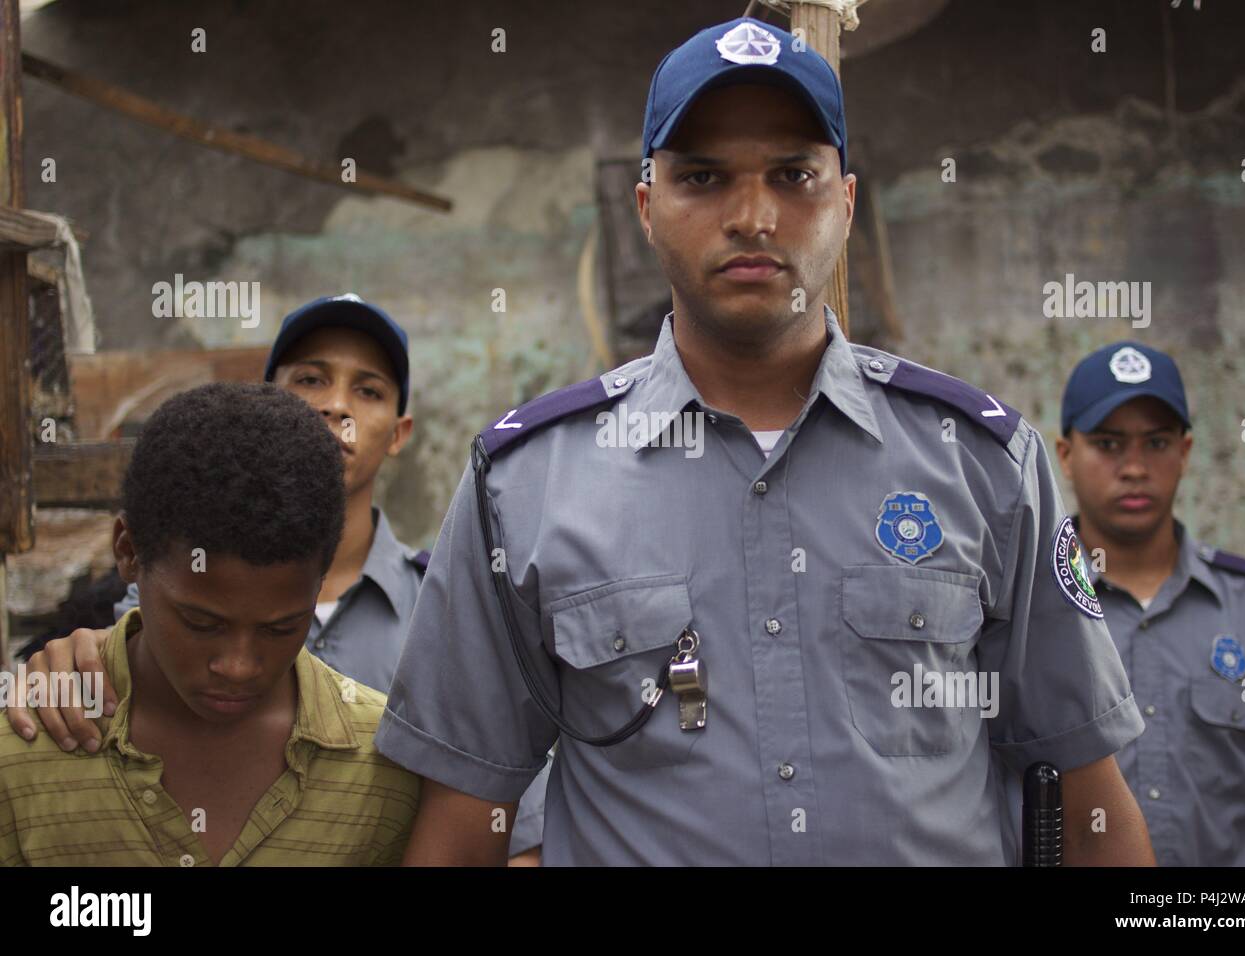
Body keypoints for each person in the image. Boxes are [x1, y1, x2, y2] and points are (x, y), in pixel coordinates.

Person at [373, 17, 1155, 865]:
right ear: (645, 207)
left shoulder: (981, 464)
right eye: (703, 177)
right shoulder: (523, 485)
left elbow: (1088, 801)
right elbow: (464, 822)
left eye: (794, 175)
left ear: (846, 203)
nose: (752, 217)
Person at [3, 295, 548, 862]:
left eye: (368, 390)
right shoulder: (112, 625)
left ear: (399, 431)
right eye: (310, 380)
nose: (335, 407)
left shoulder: (452, 615)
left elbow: (507, 830)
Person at [0, 383, 419, 866]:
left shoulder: (387, 768)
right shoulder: (25, 749)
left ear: (320, 581)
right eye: (201, 623)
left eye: (280, 628)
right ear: (128, 552)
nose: (238, 667)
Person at [1055, 341, 1245, 866]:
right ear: (1066, 455)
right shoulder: (1032, 608)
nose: (1135, 468)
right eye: (1109, 443)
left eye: (1157, 443)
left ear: (1185, 453)